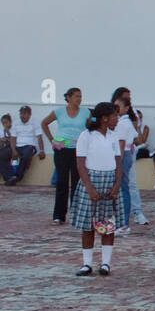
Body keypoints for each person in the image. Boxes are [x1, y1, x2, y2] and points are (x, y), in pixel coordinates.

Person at [69, 102, 123, 276]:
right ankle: (87, 263)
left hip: (109, 179)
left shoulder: (114, 136)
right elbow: (80, 164)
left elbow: (119, 162)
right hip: (91, 179)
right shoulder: (87, 136)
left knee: (107, 223)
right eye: (115, 116)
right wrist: (89, 187)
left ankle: (106, 263)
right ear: (104, 118)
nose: (117, 119)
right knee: (88, 225)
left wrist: (116, 185)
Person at [41, 87, 87, 223]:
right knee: (62, 181)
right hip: (61, 148)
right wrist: (51, 139)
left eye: (80, 96)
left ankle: (76, 213)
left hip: (78, 150)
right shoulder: (59, 111)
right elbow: (44, 123)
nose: (79, 99)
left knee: (77, 181)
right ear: (68, 97)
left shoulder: (85, 112)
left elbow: (93, 124)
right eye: (76, 96)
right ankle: (59, 215)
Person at [111, 96, 147, 229]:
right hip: (124, 154)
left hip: (122, 155)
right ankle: (122, 220)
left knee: (122, 188)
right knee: (122, 188)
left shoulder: (123, 123)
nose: (116, 109)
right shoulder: (124, 122)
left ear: (126, 108)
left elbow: (121, 143)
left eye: (118, 106)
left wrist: (117, 163)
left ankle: (123, 221)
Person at [8, 105, 45, 184]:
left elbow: (39, 137)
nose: (22, 115)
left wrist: (42, 150)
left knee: (26, 156)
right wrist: (13, 150)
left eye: (25, 113)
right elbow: (13, 138)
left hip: (29, 146)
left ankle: (17, 177)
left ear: (29, 114)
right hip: (17, 146)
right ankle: (8, 177)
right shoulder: (16, 123)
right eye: (21, 113)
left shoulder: (35, 123)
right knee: (2, 154)